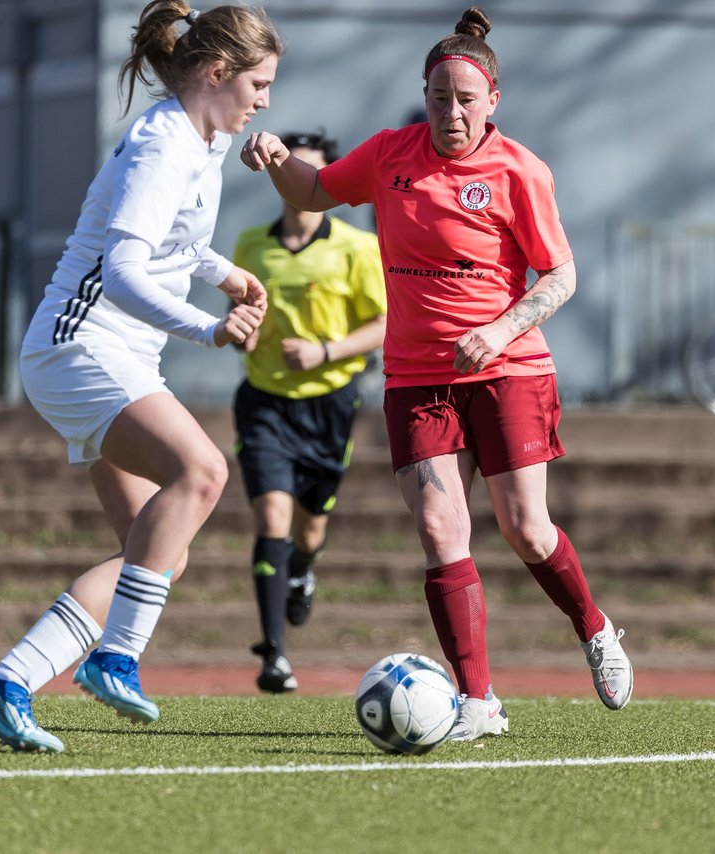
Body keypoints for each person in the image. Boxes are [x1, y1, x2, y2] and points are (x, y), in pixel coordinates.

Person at [240, 6, 633, 740]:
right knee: (436, 524)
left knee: (526, 529)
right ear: (424, 97)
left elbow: (561, 274)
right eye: (438, 98)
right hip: (416, 377)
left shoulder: (519, 170)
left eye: (465, 99)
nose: (451, 113)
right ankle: (479, 701)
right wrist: (273, 159)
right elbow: (314, 191)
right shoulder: (392, 154)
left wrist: (500, 327)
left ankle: (594, 627)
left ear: (493, 102)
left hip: (510, 369)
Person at [0, 0, 281, 753]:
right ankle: (117, 657)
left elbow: (172, 241)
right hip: (79, 348)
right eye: (258, 84)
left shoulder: (202, 142)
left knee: (159, 544)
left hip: (111, 354)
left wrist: (226, 274)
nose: (265, 101)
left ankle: (7, 680)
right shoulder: (164, 145)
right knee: (203, 472)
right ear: (216, 71)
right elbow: (125, 272)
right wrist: (207, 327)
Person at [230, 130, 387, 694]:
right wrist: (242, 331)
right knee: (271, 517)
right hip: (265, 401)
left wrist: (325, 351)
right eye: (288, 169)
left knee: (310, 526)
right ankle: (274, 652)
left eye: (311, 171)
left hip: (330, 404)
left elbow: (383, 323)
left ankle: (302, 569)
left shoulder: (354, 246)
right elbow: (241, 311)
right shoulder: (251, 244)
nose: (299, 181)